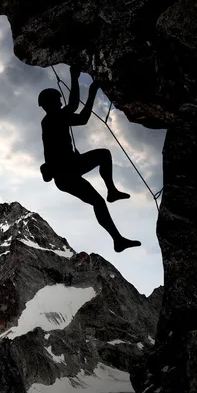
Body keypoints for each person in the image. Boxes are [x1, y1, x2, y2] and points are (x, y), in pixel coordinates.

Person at [38, 66, 141, 253]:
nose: (61, 104)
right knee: (99, 196)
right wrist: (74, 78)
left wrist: (92, 93)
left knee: (103, 158)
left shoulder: (56, 118)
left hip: (68, 169)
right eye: (58, 101)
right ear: (50, 103)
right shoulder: (51, 119)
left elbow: (83, 118)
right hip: (66, 172)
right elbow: (74, 106)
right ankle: (117, 233)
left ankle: (113, 199)